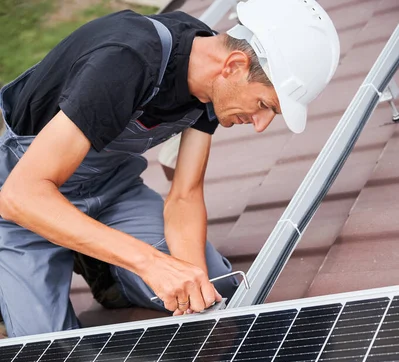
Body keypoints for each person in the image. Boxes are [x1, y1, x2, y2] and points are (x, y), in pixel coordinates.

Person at [0, 0, 339, 338]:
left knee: (214, 285)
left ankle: (104, 267)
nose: (261, 124)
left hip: (112, 188)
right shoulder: (125, 62)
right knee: (46, 348)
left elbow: (185, 195)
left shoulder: (212, 81)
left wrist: (198, 296)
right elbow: (20, 196)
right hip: (27, 204)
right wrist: (150, 262)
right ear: (235, 64)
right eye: (264, 105)